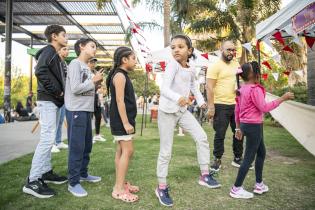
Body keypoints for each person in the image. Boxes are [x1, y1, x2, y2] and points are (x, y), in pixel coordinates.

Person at [155, 35, 221, 207]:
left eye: (180, 47)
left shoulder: (191, 68)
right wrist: (179, 98)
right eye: (173, 47)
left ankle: (205, 174)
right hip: (167, 112)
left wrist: (201, 102)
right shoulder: (171, 66)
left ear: (189, 51)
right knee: (166, 151)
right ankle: (161, 186)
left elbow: (194, 88)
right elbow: (164, 89)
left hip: (182, 111)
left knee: (202, 137)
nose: (176, 49)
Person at [230, 61, 294, 199]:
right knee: (248, 158)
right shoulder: (255, 89)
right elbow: (264, 108)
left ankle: (259, 184)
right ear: (254, 74)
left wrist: (238, 127)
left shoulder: (241, 89)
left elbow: (237, 111)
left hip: (247, 125)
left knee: (261, 152)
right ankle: (236, 188)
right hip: (254, 126)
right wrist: (282, 98)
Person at [23, 25, 68, 198]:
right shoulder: (48, 51)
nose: (66, 38)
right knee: (47, 139)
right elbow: (40, 71)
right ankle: (33, 180)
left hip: (53, 102)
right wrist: (58, 91)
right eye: (64, 35)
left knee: (49, 138)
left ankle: (45, 172)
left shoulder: (54, 54)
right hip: (48, 101)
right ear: (54, 36)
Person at [65, 38, 104, 197]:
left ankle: (83, 173)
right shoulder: (75, 64)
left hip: (86, 111)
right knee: (77, 147)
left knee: (87, 145)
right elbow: (75, 88)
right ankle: (73, 182)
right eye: (92, 46)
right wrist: (93, 81)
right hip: (76, 111)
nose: (95, 49)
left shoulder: (86, 68)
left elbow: (85, 88)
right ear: (81, 47)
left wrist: (95, 84)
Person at [106, 46, 139, 203]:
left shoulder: (122, 74)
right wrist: (125, 122)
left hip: (122, 120)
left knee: (121, 150)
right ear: (124, 60)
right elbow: (119, 100)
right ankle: (118, 190)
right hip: (121, 121)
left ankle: (121, 183)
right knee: (128, 150)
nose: (135, 61)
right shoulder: (119, 75)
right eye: (133, 58)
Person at [206, 40, 244, 172]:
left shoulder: (236, 63)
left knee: (238, 132)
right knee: (220, 133)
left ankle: (238, 158)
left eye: (233, 50)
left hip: (236, 104)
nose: (231, 52)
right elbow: (209, 87)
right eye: (228, 49)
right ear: (221, 49)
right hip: (220, 105)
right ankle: (217, 159)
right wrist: (211, 107)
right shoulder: (215, 66)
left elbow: (238, 81)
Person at [51, 46, 69, 153]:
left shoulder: (65, 64)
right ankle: (52, 143)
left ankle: (58, 141)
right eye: (64, 49)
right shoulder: (56, 63)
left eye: (67, 49)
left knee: (61, 120)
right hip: (56, 96)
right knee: (55, 121)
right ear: (58, 51)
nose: (67, 51)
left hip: (64, 97)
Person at [88, 59, 106, 142]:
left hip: (96, 96)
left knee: (98, 116)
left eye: (94, 62)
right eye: (91, 62)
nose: (93, 64)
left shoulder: (95, 72)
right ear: (87, 63)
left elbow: (100, 83)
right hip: (88, 97)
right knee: (88, 117)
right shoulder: (86, 72)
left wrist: (100, 87)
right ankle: (88, 136)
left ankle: (97, 134)